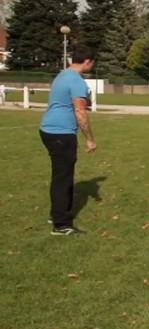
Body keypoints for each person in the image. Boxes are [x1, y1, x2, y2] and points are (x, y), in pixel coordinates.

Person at [39, 48, 97, 235]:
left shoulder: (63, 75)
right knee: (63, 178)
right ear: (87, 61)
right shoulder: (76, 81)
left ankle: (56, 214)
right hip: (61, 133)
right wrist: (89, 139)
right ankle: (61, 225)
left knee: (60, 176)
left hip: (48, 130)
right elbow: (80, 112)